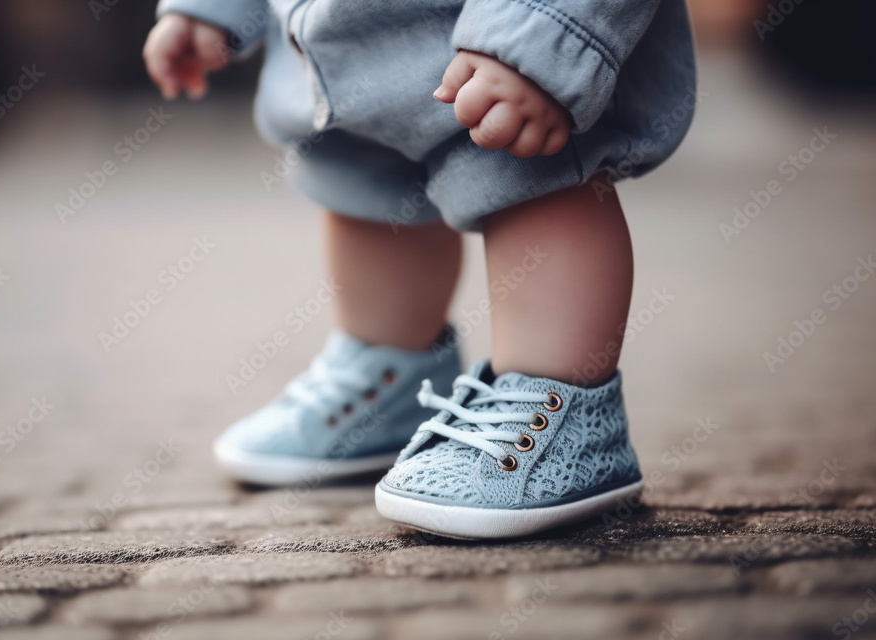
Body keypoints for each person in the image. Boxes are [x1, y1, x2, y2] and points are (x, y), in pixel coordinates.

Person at [143, 0, 696, 539]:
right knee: (365, 186)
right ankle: (389, 378)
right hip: (338, 54)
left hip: (496, 41)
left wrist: (539, 31)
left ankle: (561, 407)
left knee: (530, 177)